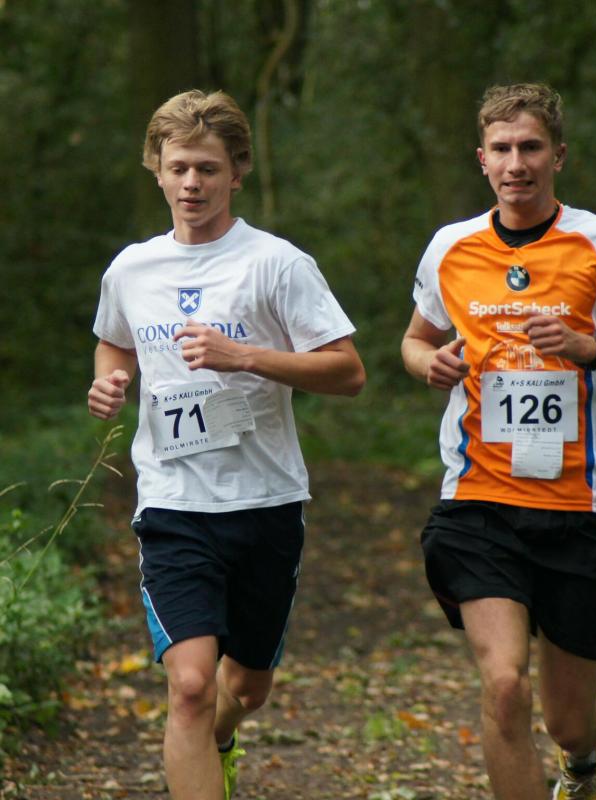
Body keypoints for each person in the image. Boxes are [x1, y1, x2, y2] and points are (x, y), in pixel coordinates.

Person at [401, 83, 596, 800]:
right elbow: (415, 339)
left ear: (558, 156)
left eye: (530, 148)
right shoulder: (451, 247)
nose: (516, 163)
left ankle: (582, 765)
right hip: (479, 500)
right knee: (504, 686)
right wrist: (428, 363)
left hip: (582, 507)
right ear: (482, 159)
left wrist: (592, 349)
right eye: (501, 149)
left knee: (568, 721)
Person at [87, 89, 365, 800]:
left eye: (207, 168)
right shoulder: (132, 269)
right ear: (156, 169)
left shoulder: (277, 264)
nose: (191, 183)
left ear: (236, 171)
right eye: (178, 167)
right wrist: (110, 382)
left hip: (265, 501)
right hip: (173, 504)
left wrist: (244, 356)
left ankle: (222, 741)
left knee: (244, 687)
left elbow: (347, 372)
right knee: (189, 685)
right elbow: (114, 342)